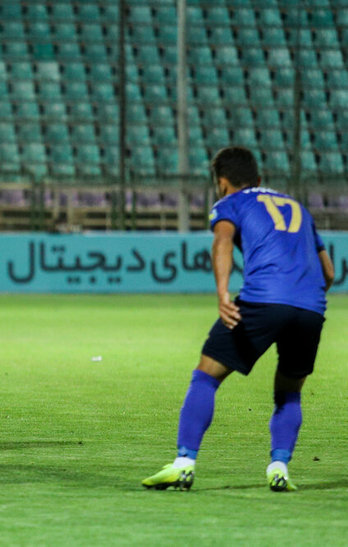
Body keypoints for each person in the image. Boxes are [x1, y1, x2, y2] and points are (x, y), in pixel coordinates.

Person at [142, 147, 334, 492]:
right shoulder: (298, 207)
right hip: (310, 307)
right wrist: (303, 300)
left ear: (222, 182)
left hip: (263, 301)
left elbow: (223, 241)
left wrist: (222, 294)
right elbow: (329, 272)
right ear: (259, 179)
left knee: (206, 376)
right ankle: (279, 467)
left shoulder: (231, 203)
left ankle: (184, 464)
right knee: (289, 392)